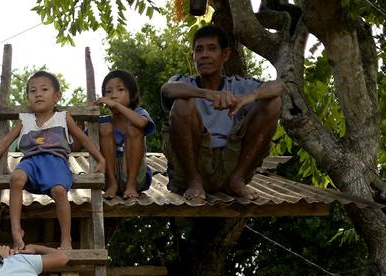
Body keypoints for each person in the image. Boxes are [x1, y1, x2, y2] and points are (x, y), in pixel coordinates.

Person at [161, 23, 282, 204]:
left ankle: (237, 180)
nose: (204, 55)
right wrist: (207, 94)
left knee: (273, 103)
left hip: (231, 165)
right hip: (192, 167)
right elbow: (167, 89)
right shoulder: (184, 82)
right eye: (199, 50)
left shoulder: (238, 84)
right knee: (181, 105)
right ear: (193, 56)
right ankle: (195, 181)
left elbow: (279, 86)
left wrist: (248, 98)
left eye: (211, 49)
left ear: (225, 54)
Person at [0, 71, 105, 250]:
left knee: (59, 191)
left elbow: (84, 138)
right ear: (28, 97)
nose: (38, 94)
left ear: (56, 96)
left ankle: (66, 239)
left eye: (44, 89)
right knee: (16, 178)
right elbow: (6, 140)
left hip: (56, 161)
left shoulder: (63, 118)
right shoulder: (25, 120)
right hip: (30, 161)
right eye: (32, 91)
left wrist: (100, 159)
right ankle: (16, 231)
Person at [96, 69, 155, 199]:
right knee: (104, 128)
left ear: (133, 95)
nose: (113, 95)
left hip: (135, 174)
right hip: (108, 176)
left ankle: (131, 184)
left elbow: (141, 123)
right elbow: (78, 145)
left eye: (120, 90)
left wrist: (117, 106)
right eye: (108, 91)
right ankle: (112, 183)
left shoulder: (139, 112)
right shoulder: (103, 121)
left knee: (134, 129)